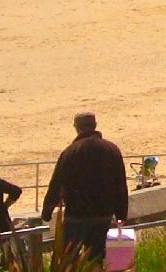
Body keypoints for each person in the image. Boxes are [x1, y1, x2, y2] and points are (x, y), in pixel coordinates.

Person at [42, 111, 128, 260]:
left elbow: (56, 183)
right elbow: (120, 184)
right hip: (103, 214)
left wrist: (47, 210)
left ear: (77, 128)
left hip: (76, 215)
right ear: (95, 126)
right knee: (96, 259)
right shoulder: (112, 149)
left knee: (69, 259)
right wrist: (121, 214)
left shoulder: (70, 152)